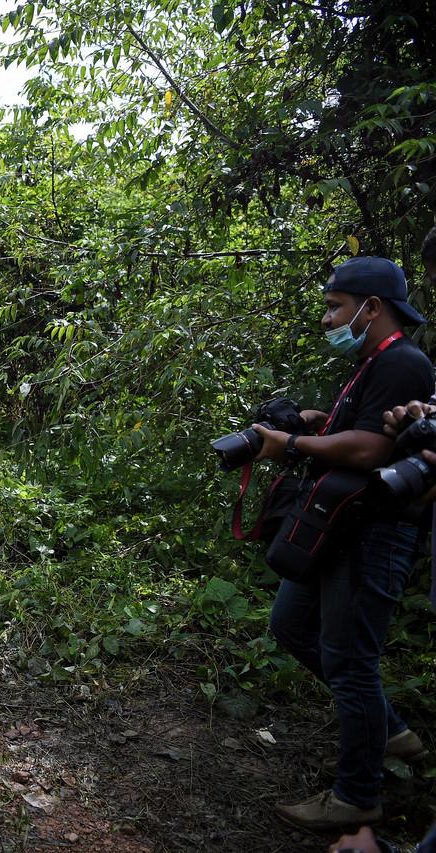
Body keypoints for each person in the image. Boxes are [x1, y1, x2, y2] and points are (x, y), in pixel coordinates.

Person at [248, 255, 434, 830]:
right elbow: (365, 430)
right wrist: (318, 421)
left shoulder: (403, 361)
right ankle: (392, 732)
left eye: (335, 307)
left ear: (371, 308)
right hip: (342, 527)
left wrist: (291, 446)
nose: (328, 320)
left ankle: (357, 797)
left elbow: (370, 451)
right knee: (291, 625)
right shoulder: (371, 364)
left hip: (376, 532)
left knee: (351, 662)